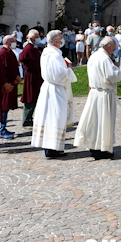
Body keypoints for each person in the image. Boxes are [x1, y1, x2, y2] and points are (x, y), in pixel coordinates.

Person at [74, 36, 121, 160]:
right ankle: (103, 148)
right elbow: (112, 75)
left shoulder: (94, 56)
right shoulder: (104, 58)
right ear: (108, 46)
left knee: (95, 122)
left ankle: (94, 146)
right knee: (103, 122)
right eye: (113, 47)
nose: (114, 50)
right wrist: (119, 71)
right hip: (104, 94)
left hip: (95, 92)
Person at [31, 30, 77, 158]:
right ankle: (52, 149)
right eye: (61, 38)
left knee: (49, 118)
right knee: (55, 118)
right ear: (56, 41)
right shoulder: (54, 55)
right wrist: (69, 69)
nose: (63, 40)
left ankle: (52, 148)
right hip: (55, 90)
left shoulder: (48, 52)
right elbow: (59, 75)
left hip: (49, 88)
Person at [0, 35, 21, 140]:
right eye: (13, 41)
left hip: (12, 82)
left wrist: (17, 76)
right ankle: (1, 129)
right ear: (7, 42)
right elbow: (5, 69)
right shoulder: (3, 53)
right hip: (6, 84)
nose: (15, 43)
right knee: (4, 107)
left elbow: (14, 66)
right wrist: (14, 77)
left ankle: (3, 127)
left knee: (6, 108)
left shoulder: (10, 52)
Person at [19, 29, 43, 128]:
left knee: (35, 96)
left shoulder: (33, 47)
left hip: (36, 75)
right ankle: (26, 119)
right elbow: (24, 60)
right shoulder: (28, 48)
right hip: (31, 75)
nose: (38, 39)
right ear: (32, 38)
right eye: (37, 37)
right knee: (30, 96)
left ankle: (30, 118)